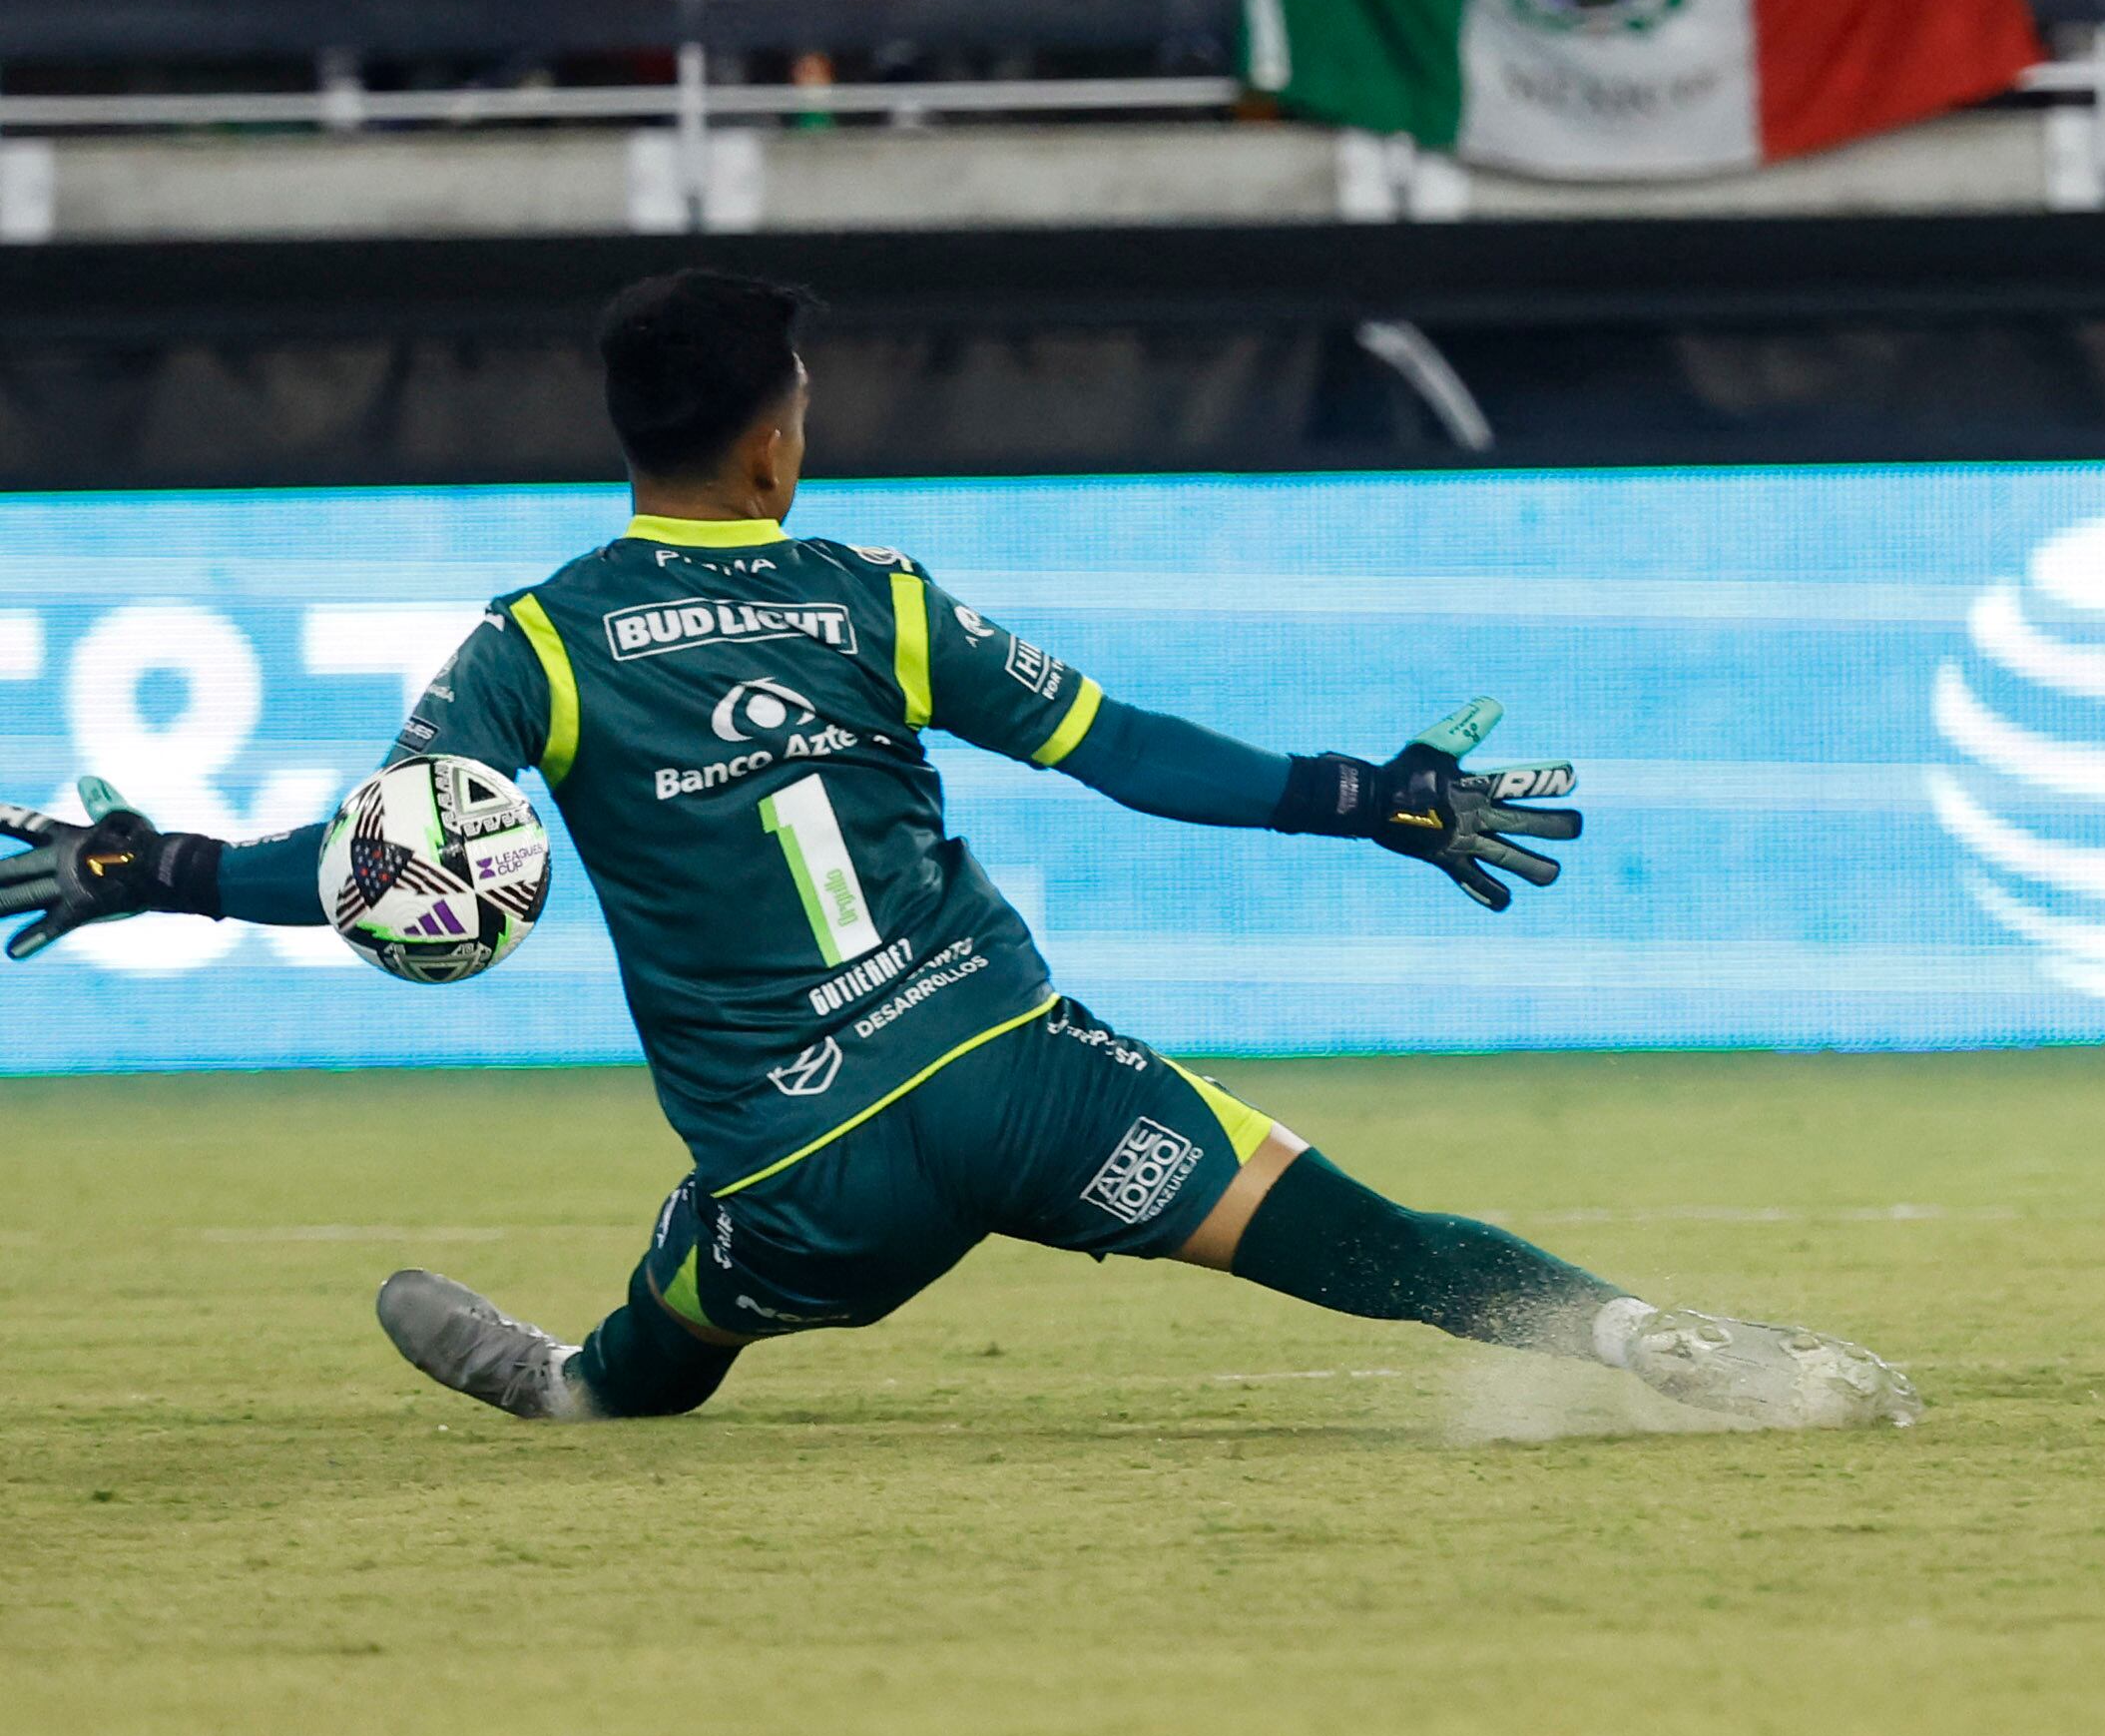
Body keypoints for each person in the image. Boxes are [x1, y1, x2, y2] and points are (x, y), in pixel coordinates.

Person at [0, 273, 1920, 1437]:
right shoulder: (872, 600)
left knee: (656, 1356)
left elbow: (370, 864)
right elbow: (1127, 753)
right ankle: (1650, 1338)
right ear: (768, 447)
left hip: (810, 1180)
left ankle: (569, 1379)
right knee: (1364, 1238)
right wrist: (1371, 797)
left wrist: (139, 869)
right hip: (1021, 1082)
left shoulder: (536, 645)